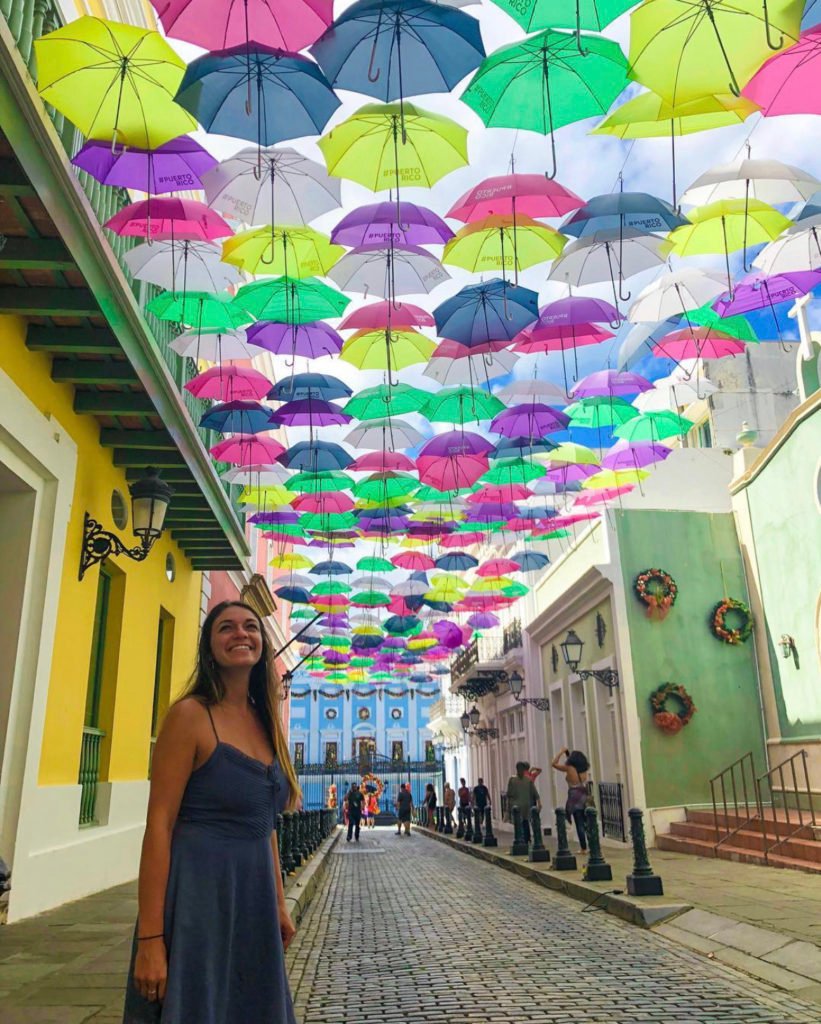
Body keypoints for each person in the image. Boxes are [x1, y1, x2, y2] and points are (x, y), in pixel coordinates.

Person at [123, 600, 300, 1023]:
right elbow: (159, 826)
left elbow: (265, 823)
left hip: (253, 902)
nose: (241, 633)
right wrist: (151, 938)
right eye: (226, 627)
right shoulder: (189, 716)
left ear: (263, 643)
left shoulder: (266, 721)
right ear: (209, 648)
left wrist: (277, 902)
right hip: (198, 900)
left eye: (250, 626)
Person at [552, 747, 591, 851]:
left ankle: (583, 848)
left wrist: (561, 752)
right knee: (587, 822)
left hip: (574, 796)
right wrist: (568, 755)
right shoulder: (583, 769)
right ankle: (592, 845)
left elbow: (554, 764)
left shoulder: (569, 768)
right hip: (584, 795)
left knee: (579, 823)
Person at [506, 761, 540, 844]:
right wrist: (508, 808)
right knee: (521, 823)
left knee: (524, 822)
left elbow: (534, 792)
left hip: (524, 806)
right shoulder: (513, 780)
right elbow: (509, 794)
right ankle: (522, 839)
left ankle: (525, 839)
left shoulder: (527, 780)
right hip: (517, 806)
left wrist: (539, 802)